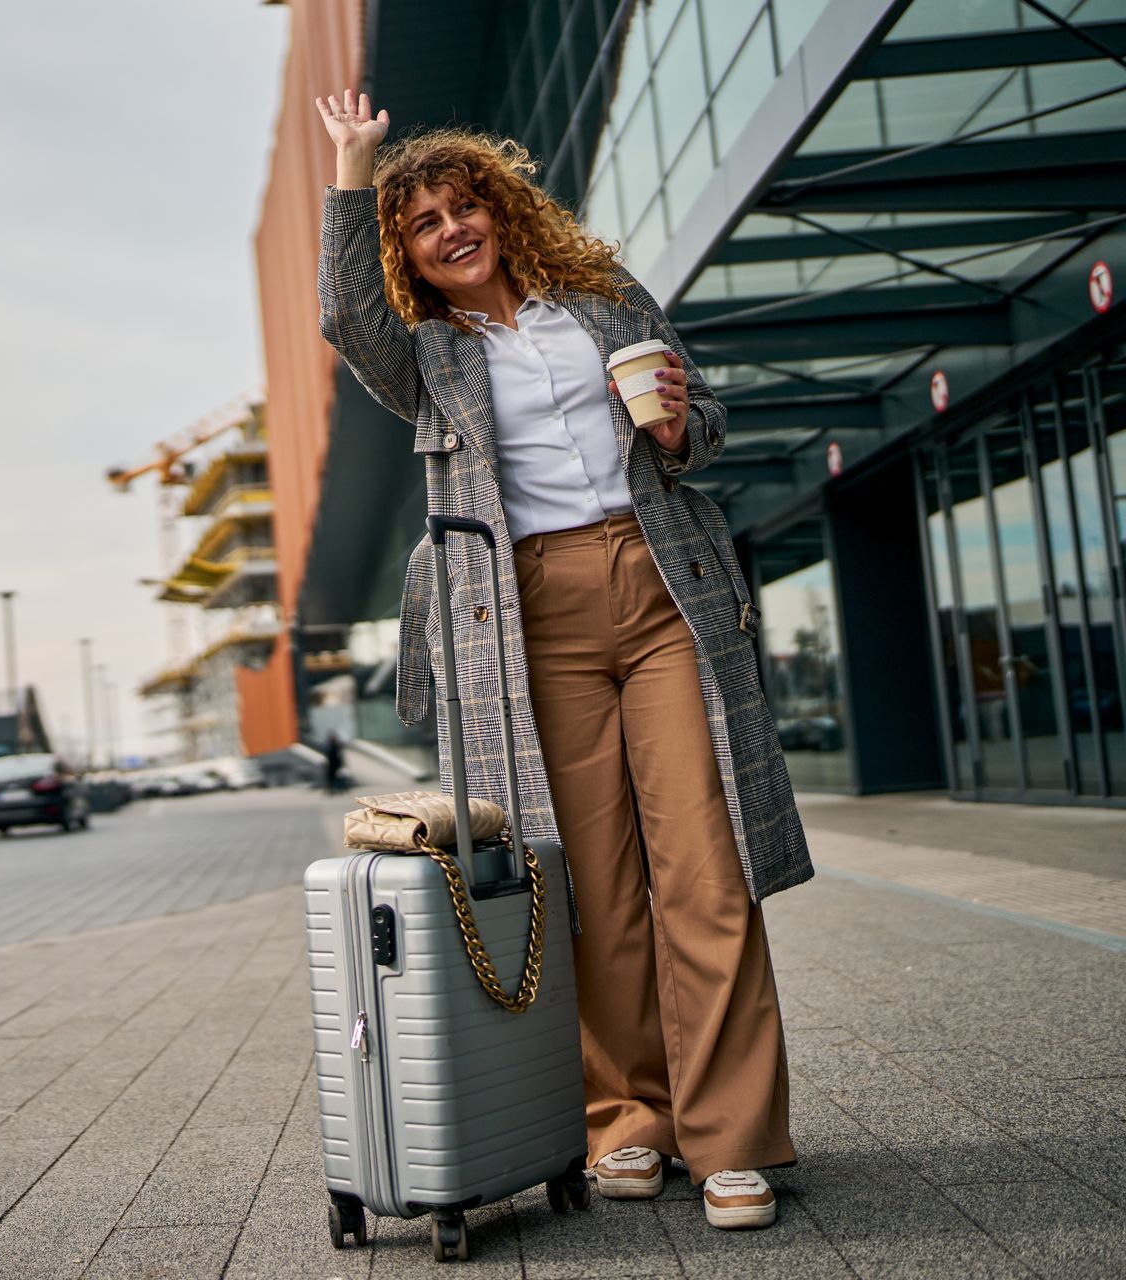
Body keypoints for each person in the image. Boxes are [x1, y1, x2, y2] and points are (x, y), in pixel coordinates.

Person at [314, 92, 813, 1231]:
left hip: (663, 587)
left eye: (463, 203)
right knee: (590, 885)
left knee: (707, 860)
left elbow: (704, 420)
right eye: (423, 223)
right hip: (528, 614)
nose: (450, 228)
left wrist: (684, 429)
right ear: (410, 258)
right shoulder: (426, 357)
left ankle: (732, 1137)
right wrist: (355, 168)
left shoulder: (602, 305)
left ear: (503, 208)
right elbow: (348, 318)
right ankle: (625, 1118)